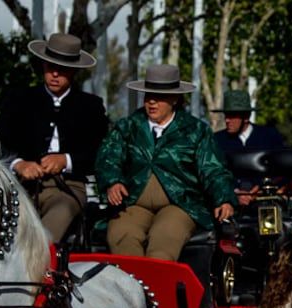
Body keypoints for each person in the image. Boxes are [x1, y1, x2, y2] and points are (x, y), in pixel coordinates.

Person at [96, 64, 236, 261]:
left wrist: (223, 198)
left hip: (180, 204)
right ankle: (132, 289)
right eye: (148, 95)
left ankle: (157, 290)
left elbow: (213, 168)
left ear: (175, 99)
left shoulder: (195, 130)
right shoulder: (128, 126)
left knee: (163, 241)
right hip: (134, 202)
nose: (152, 101)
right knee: (121, 236)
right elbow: (108, 157)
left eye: (160, 96)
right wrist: (113, 182)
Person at [0, 33, 109, 242]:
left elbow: (101, 153)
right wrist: (18, 164)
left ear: (74, 71)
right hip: (19, 187)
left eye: (62, 69)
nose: (55, 74)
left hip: (67, 188)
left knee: (57, 218)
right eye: (50, 68)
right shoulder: (19, 100)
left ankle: (37, 263)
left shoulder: (91, 107)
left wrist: (66, 160)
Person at [211, 90, 286, 206]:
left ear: (246, 117)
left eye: (232, 116)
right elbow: (213, 173)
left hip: (266, 202)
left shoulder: (269, 136)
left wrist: (261, 188)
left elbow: (283, 169)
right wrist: (235, 191)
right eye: (226, 115)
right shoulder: (217, 140)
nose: (227, 120)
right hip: (228, 205)